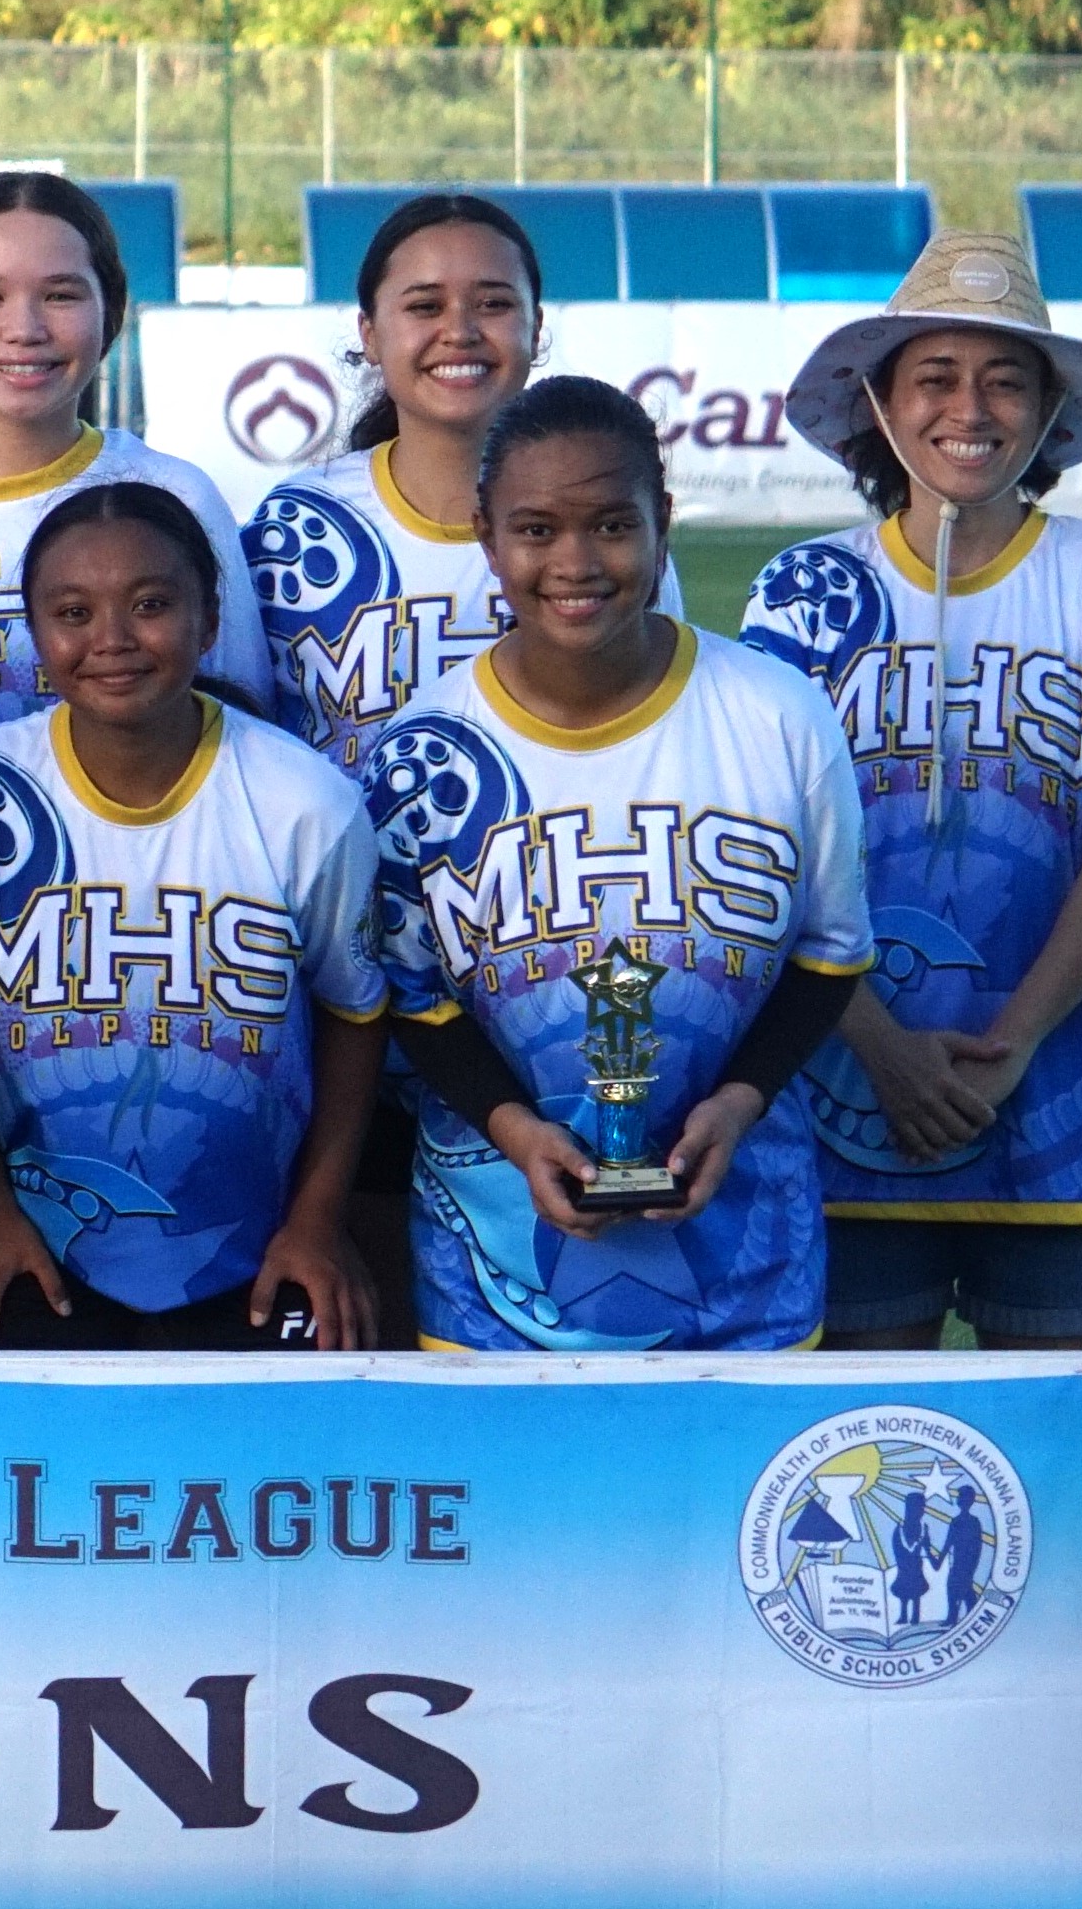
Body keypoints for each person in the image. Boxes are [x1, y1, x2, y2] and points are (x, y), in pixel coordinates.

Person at [733, 234, 1082, 1349]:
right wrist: (884, 1048)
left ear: (1048, 410)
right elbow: (761, 851)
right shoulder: (807, 587)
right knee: (843, 1464)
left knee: (1054, 1458)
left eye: (1005, 378)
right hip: (841, 1098)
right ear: (880, 405)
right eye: (934, 377)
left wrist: (1019, 1041)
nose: (970, 407)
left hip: (1054, 1098)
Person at [363, 376, 870, 1354]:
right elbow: (414, 996)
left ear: (662, 521)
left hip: (746, 1267)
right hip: (494, 1284)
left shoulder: (778, 717)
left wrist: (739, 1100)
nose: (575, 562)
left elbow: (830, 953)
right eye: (537, 529)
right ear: (486, 536)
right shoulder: (424, 752)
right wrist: (511, 1127)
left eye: (610, 524)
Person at [0, 483, 391, 1351]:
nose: (111, 639)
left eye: (151, 605)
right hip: (37, 1248)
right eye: (73, 611)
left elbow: (356, 1012)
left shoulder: (303, 803)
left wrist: (318, 1220)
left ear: (211, 619)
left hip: (256, 1248)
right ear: (34, 632)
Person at [0, 170, 268, 750]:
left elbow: (244, 736)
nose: (24, 329)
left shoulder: (173, 495)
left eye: (61, 295)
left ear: (109, 315)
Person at [243, 189, 668, 774]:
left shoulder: (609, 524)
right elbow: (243, 733)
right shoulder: (295, 527)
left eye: (493, 304)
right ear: (369, 332)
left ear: (536, 326)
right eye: (424, 307)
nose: (460, 331)